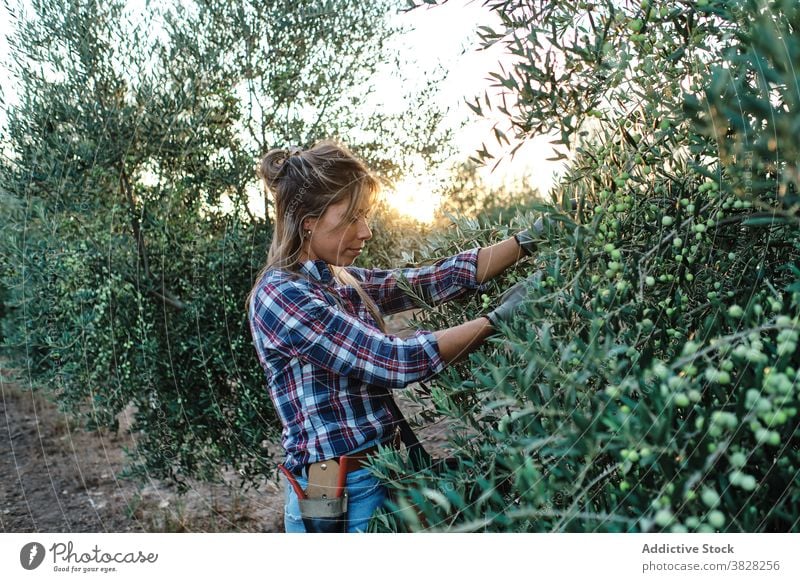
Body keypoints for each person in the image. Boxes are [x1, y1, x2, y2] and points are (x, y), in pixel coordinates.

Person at [247, 139, 543, 533]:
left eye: (365, 216)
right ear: (308, 222)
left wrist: (527, 241)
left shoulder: (339, 279)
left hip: (383, 473)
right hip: (339, 492)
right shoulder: (281, 296)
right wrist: (498, 320)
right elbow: (394, 361)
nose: (366, 231)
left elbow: (428, 280)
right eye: (352, 217)